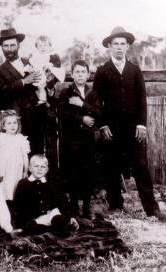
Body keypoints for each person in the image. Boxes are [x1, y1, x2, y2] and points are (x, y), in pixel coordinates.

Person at [93, 26, 166, 221]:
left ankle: (152, 209)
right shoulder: (103, 71)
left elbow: (142, 100)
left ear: (127, 47)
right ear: (109, 47)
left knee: (141, 167)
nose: (119, 48)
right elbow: (95, 101)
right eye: (115, 44)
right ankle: (115, 205)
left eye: (122, 44)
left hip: (133, 129)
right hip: (111, 129)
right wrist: (102, 125)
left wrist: (142, 125)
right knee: (112, 167)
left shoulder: (135, 70)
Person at [0, 28, 47, 155]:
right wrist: (23, 82)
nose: (9, 49)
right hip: (16, 121)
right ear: (2, 48)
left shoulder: (32, 63)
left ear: (18, 45)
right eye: (6, 46)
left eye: (12, 45)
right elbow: (0, 93)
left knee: (37, 153)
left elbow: (41, 82)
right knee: (17, 155)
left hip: (36, 117)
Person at [57, 60, 101, 219]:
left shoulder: (93, 93)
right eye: (77, 72)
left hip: (88, 139)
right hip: (72, 139)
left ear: (88, 75)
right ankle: (74, 206)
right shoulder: (66, 92)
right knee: (73, 172)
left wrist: (82, 105)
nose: (80, 75)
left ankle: (87, 207)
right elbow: (63, 113)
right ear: (72, 74)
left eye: (83, 72)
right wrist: (81, 118)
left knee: (88, 172)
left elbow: (98, 113)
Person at [13, 154, 79, 234]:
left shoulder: (51, 183)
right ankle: (48, 229)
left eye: (43, 167)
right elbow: (19, 205)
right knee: (30, 226)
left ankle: (58, 226)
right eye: (36, 166)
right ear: (30, 168)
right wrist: (23, 220)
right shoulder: (24, 184)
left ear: (47, 170)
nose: (39, 169)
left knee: (61, 220)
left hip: (51, 214)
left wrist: (70, 216)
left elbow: (62, 201)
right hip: (34, 218)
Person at [0, 110, 30, 201]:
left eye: (14, 123)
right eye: (9, 123)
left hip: (16, 169)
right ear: (3, 126)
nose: (12, 125)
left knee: (15, 188)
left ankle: (13, 207)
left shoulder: (21, 139)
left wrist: (25, 171)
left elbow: (25, 156)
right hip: (3, 168)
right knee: (2, 188)